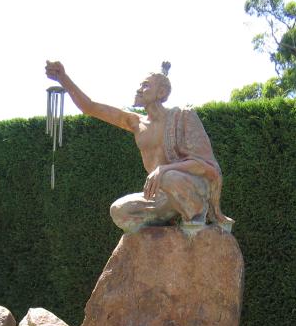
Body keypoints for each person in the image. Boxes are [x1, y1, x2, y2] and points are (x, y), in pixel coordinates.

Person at [45, 60, 233, 233]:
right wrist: (63, 79)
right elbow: (90, 107)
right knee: (119, 211)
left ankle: (195, 214)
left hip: (189, 190)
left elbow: (207, 167)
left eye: (145, 85)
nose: (138, 89)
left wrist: (163, 169)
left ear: (161, 92)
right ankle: (160, 236)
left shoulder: (183, 116)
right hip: (161, 198)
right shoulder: (136, 123)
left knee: (168, 177)